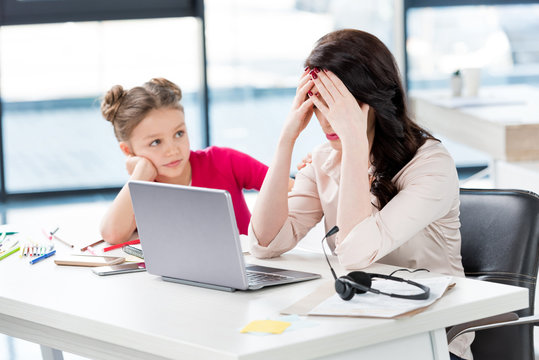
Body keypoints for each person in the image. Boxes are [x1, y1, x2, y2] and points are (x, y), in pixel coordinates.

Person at [248, 29, 472, 360]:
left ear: (375, 100)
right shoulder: (325, 158)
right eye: (318, 103)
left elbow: (354, 254)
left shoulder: (431, 165)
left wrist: (354, 142)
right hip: (358, 328)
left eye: (339, 105)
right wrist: (287, 139)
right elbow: (265, 244)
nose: (327, 119)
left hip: (430, 339)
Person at [100, 78, 270, 245]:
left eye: (179, 133)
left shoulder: (224, 161)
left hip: (249, 268)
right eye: (155, 142)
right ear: (128, 150)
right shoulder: (141, 189)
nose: (173, 150)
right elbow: (112, 234)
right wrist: (141, 172)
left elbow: (291, 190)